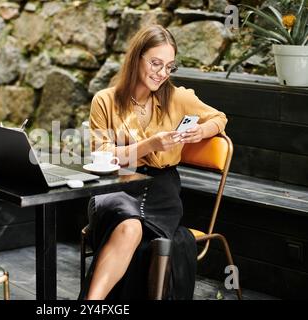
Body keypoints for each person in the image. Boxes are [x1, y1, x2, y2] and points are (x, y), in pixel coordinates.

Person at [79, 24, 228, 300]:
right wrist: (150, 145)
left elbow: (219, 118)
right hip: (116, 183)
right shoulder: (105, 101)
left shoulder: (179, 98)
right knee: (129, 226)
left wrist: (201, 131)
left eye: (169, 67)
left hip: (162, 190)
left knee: (141, 237)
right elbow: (103, 153)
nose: (162, 74)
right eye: (156, 63)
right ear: (137, 58)